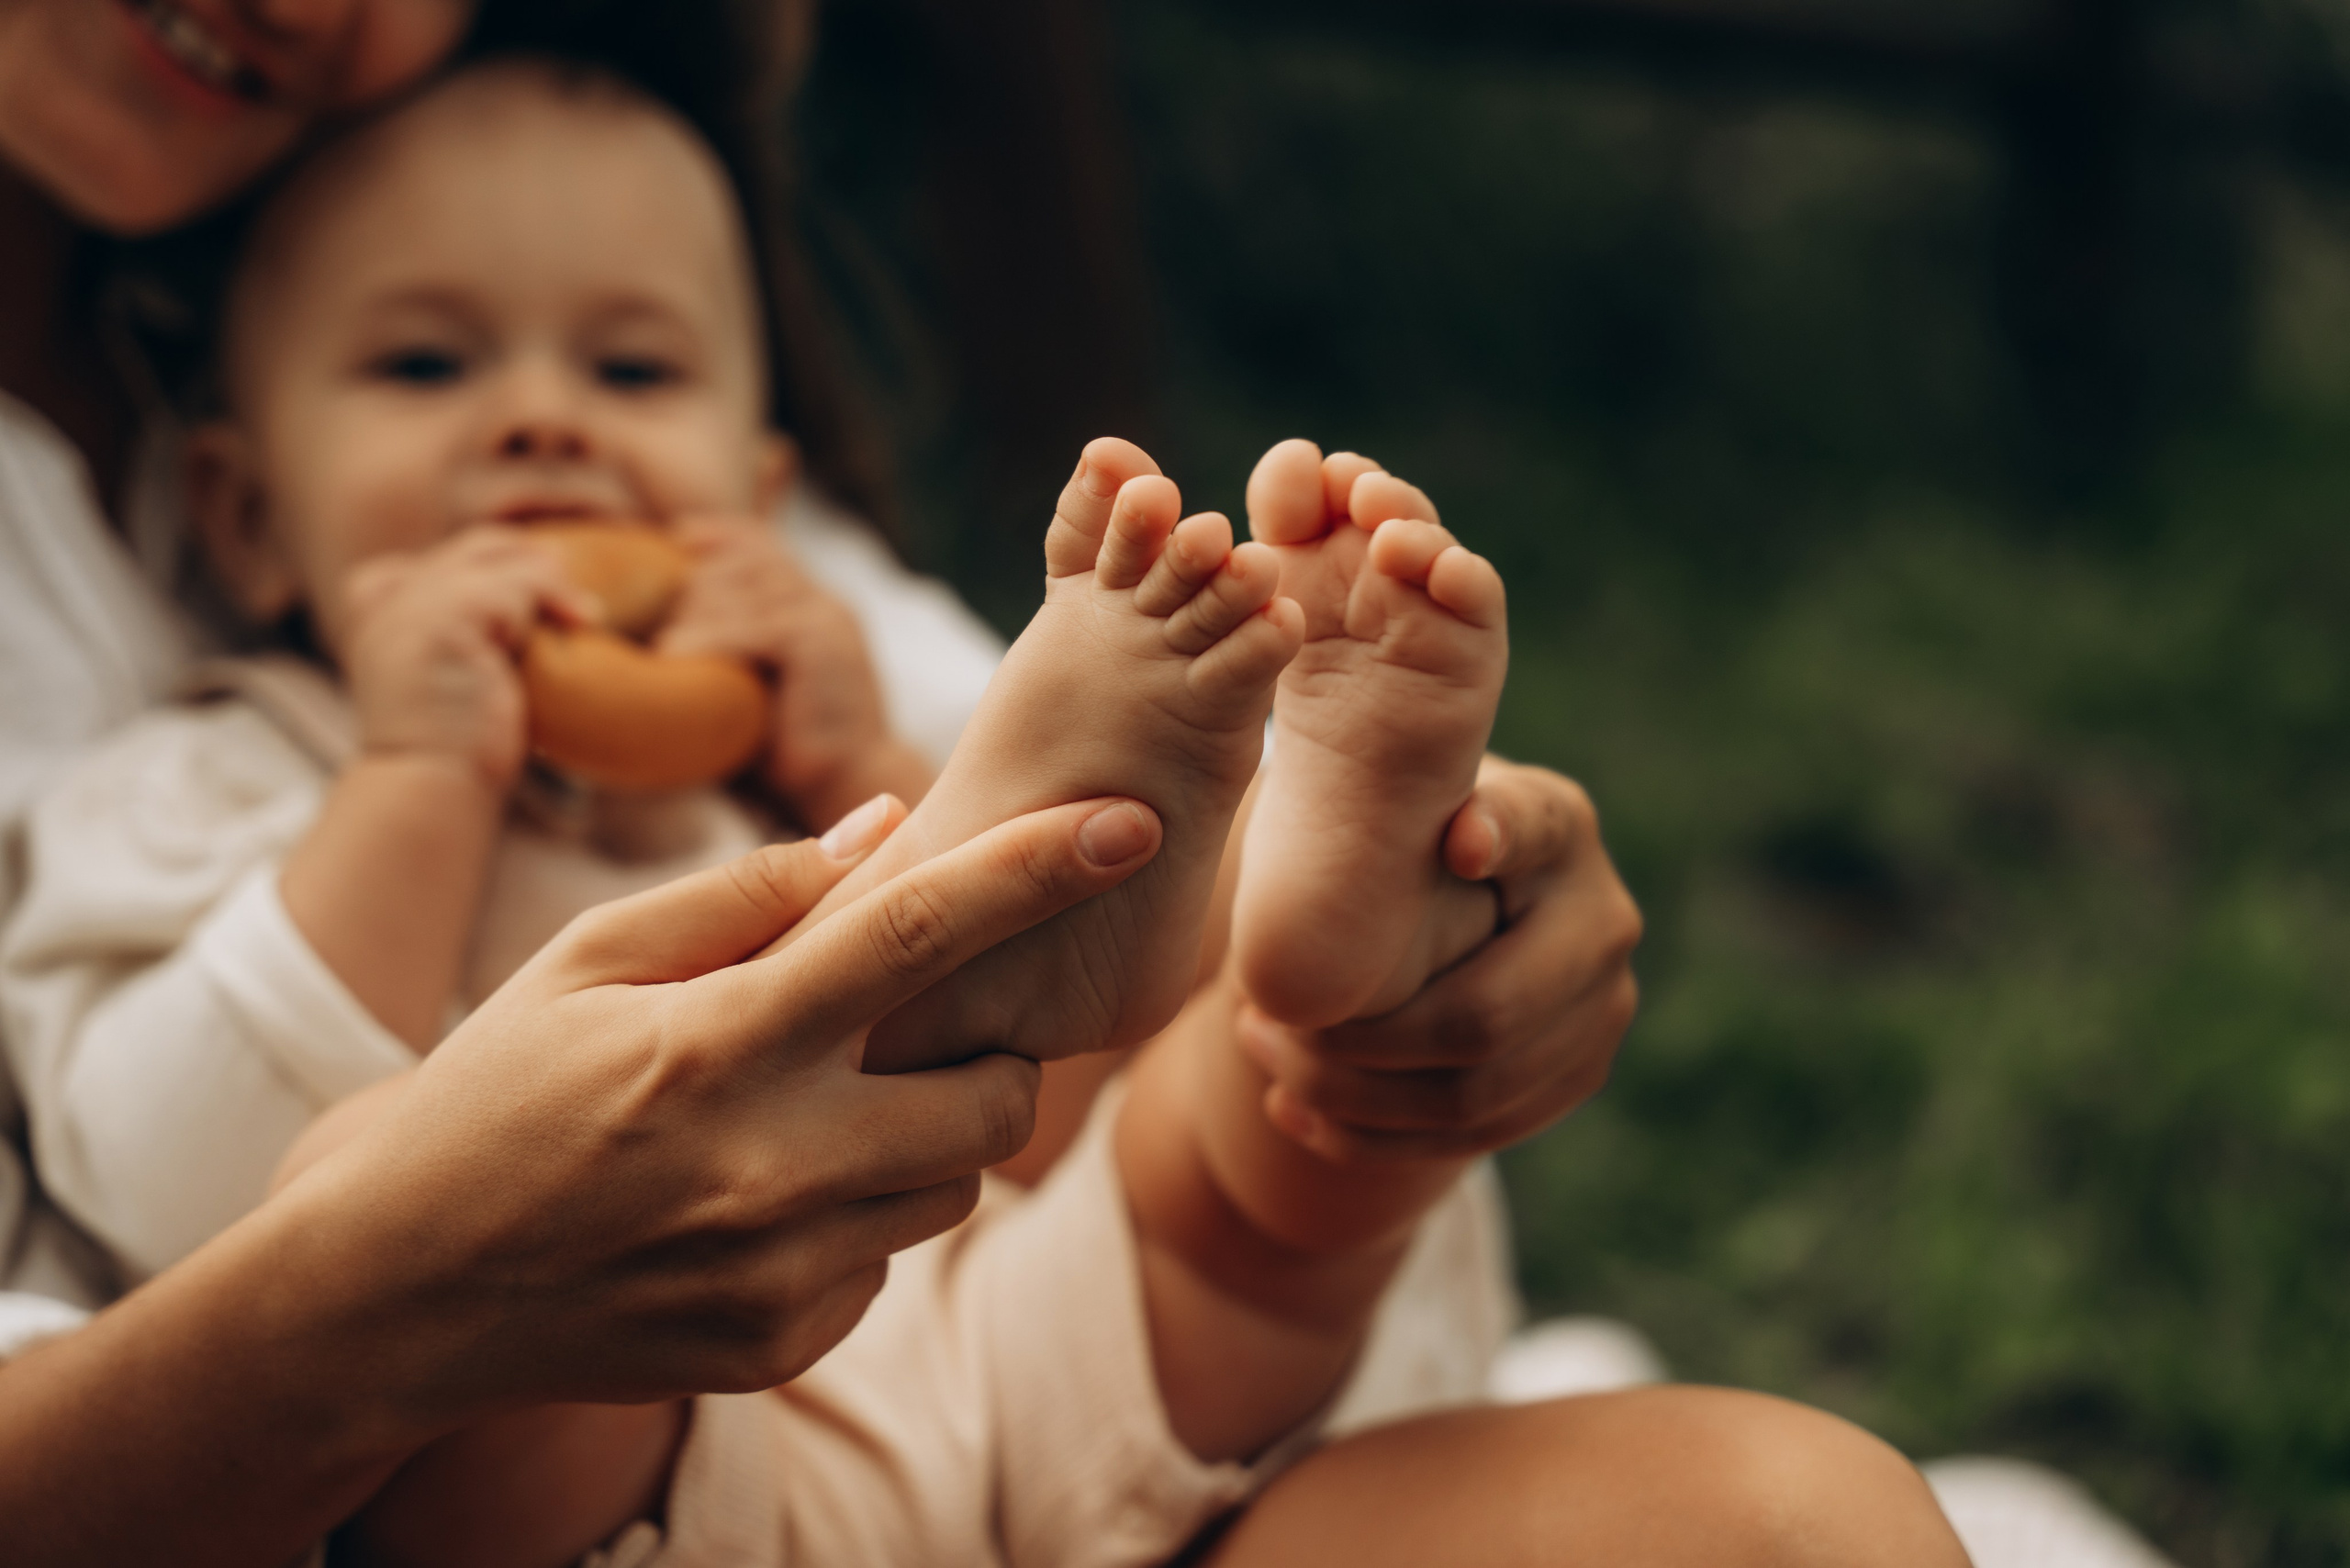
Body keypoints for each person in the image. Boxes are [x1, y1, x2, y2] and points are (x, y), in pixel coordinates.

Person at [0, 3, 1960, 1566]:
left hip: (1027, 1397)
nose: (545, 423)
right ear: (240, 510)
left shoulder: (788, 722)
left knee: (1215, 1166)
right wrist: (421, 774)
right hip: (655, 1488)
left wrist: (875, 772)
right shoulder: (209, 782)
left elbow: (1035, 1121)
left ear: (763, 489)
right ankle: (1219, 950)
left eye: (634, 372)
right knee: (378, 1188)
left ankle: (1321, 973)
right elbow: (183, 1201)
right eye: (426, 368)